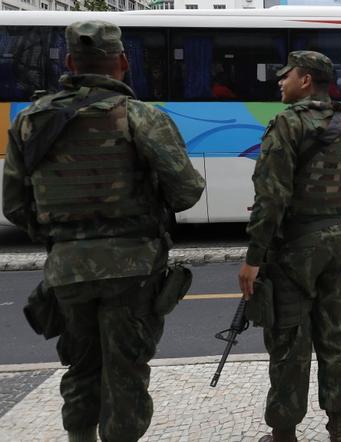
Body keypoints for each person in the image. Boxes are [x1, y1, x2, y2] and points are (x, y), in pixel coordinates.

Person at [2, 20, 205, 442]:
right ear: (124, 63)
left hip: (66, 272)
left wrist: (63, 240)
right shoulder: (141, 117)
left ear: (71, 62)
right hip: (132, 270)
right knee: (126, 371)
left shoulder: (30, 121)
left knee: (81, 364)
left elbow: (15, 206)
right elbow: (186, 191)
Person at [238, 50, 341, 442]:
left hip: (293, 246)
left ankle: (283, 433)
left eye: (287, 75)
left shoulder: (287, 124)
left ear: (306, 80)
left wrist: (252, 259)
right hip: (333, 241)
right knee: (335, 335)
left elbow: (270, 198)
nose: (281, 82)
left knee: (290, 340)